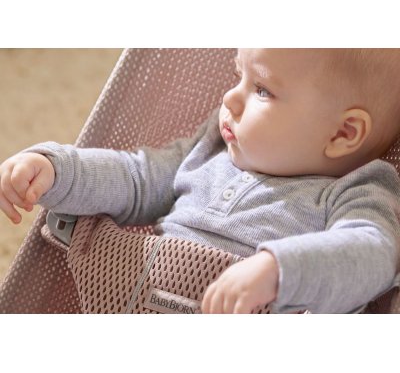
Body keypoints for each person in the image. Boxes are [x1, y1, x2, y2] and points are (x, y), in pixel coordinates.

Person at [1, 49, 400, 314]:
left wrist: (279, 271)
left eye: (262, 89)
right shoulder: (210, 150)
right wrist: (58, 170)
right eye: (238, 76)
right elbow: (137, 177)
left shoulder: (356, 192)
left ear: (343, 133)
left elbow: (372, 253)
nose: (230, 98)